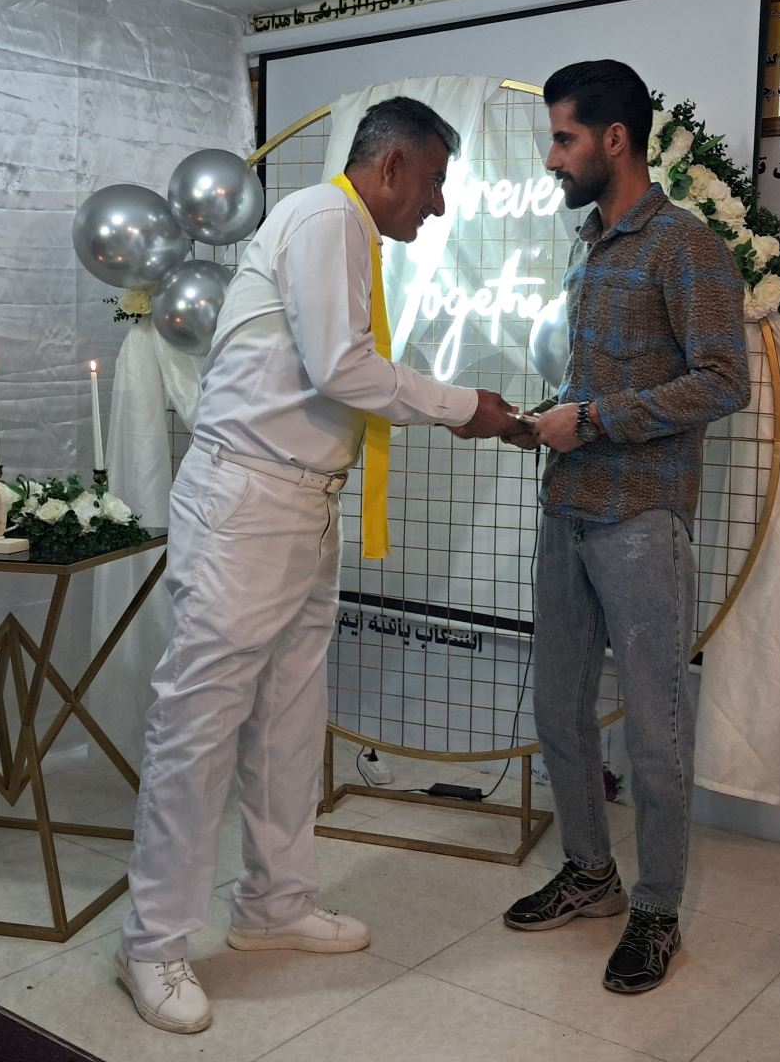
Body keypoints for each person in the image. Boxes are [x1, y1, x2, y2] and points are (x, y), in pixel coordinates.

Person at [117, 97, 519, 1034]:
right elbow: (343, 368)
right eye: (435, 182)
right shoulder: (324, 216)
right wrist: (468, 407)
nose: (438, 205)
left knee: (291, 720)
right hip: (248, 504)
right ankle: (152, 942)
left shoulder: (342, 229)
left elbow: (329, 375)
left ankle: (275, 905)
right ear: (392, 166)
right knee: (198, 729)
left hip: (299, 505)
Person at [500, 60, 749, 994]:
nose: (552, 158)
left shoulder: (683, 245)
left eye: (563, 139)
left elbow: (723, 380)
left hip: (642, 516)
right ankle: (590, 874)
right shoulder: (591, 246)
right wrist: (548, 419)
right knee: (559, 710)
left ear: (615, 139)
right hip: (567, 506)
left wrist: (597, 420)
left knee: (655, 727)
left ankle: (657, 909)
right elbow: (599, 379)